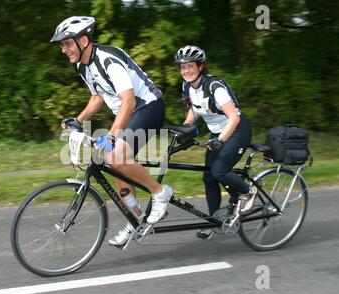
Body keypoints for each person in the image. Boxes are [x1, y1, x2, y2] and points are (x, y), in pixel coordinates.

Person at [50, 16, 173, 247]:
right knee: (112, 162)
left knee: (115, 153)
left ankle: (159, 192)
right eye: (62, 45)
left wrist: (112, 136)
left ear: (83, 40)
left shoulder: (108, 60)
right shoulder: (83, 66)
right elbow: (98, 97)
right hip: (129, 112)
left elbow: (128, 102)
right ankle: (136, 216)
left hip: (147, 107)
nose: (63, 49)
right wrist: (78, 119)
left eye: (67, 43)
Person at [174, 45, 257, 239]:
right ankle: (214, 221)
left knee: (219, 170)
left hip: (237, 130)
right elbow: (194, 110)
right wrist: (185, 128)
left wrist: (220, 140)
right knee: (209, 177)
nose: (186, 71)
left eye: (190, 66)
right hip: (217, 133)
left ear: (200, 67)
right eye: (182, 67)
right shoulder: (187, 87)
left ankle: (248, 191)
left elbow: (233, 117)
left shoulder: (214, 87)